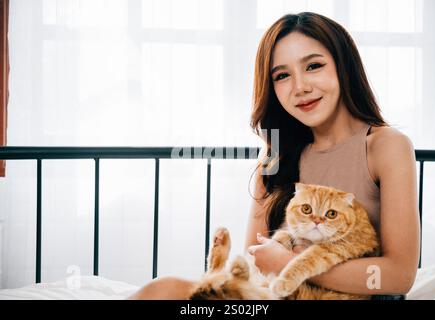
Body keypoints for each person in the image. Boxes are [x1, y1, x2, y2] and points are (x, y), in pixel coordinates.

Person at [129, 12, 420, 300]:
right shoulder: (276, 153)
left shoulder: (386, 147)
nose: (300, 87)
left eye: (314, 66)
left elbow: (399, 276)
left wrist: (290, 265)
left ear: (344, 67)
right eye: (282, 75)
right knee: (162, 289)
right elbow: (257, 261)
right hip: (274, 297)